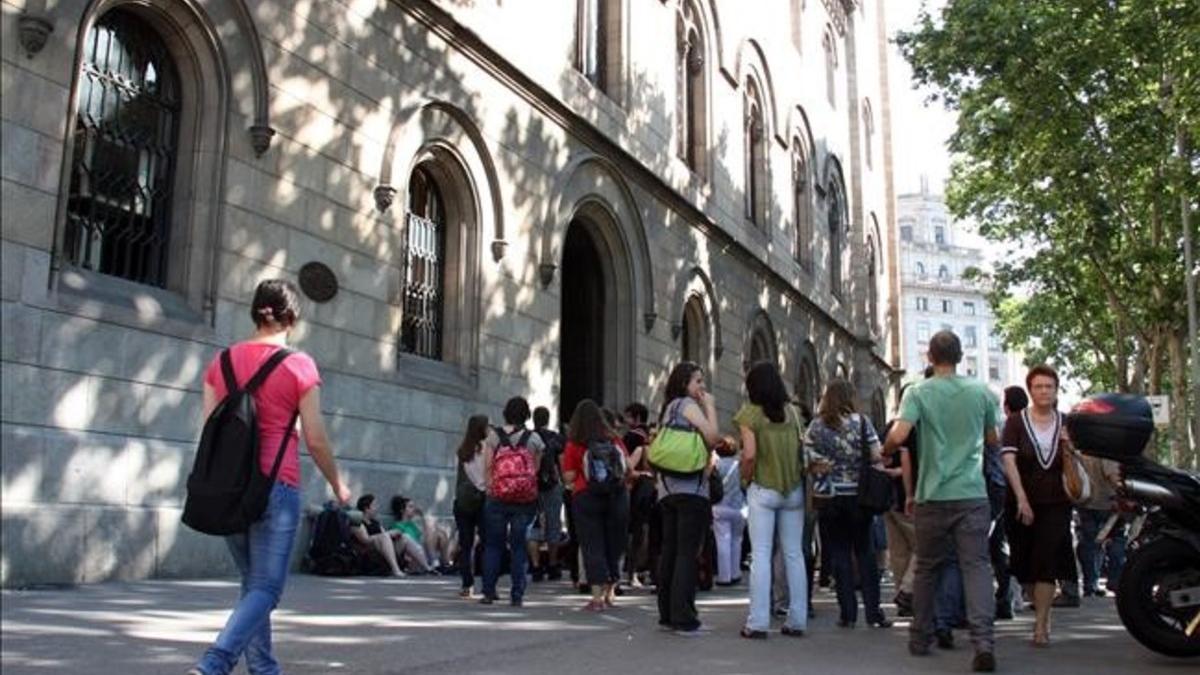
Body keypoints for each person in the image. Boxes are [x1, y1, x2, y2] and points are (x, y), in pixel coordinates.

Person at [188, 279, 350, 675]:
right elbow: (314, 437)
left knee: (252, 585)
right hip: (276, 486)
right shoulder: (299, 365)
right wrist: (336, 482)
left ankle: (263, 669)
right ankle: (213, 664)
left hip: (228, 486)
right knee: (266, 588)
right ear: (291, 318)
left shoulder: (221, 362)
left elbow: (212, 426)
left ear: (255, 314)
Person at [883, 330, 999, 673]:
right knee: (976, 567)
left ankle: (920, 636)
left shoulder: (918, 392)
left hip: (933, 495)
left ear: (929, 358)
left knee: (928, 567)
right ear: (961, 356)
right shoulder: (981, 392)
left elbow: (901, 434)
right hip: (972, 494)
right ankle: (983, 641)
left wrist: (886, 449)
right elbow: (993, 439)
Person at [805, 378, 891, 630]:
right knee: (865, 552)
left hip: (829, 498)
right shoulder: (861, 423)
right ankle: (874, 613)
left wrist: (826, 465)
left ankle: (848, 613)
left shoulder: (816, 426)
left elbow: (806, 457)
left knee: (839, 554)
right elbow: (876, 455)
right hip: (859, 497)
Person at [1000, 365, 1076, 647]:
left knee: (1046, 563)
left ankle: (1041, 624)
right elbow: (1008, 461)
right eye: (1039, 386)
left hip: (1056, 503)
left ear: (1056, 391)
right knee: (1023, 566)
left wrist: (1069, 447)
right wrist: (1021, 498)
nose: (1044, 391)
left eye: (1049, 387)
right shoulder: (1016, 422)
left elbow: (1078, 463)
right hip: (1020, 503)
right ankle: (1039, 606)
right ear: (1030, 390)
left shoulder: (1067, 423)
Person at [736, 362, 813, 639]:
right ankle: (797, 619)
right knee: (794, 555)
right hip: (792, 490)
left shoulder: (750, 415)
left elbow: (749, 455)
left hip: (762, 489)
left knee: (761, 556)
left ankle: (757, 622)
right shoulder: (793, 413)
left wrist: (745, 480)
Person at [655, 361, 723, 636]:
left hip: (667, 489)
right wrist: (711, 407)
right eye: (698, 381)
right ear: (685, 383)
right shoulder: (689, 405)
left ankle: (668, 613)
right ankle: (684, 616)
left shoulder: (668, 408)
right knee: (687, 553)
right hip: (691, 489)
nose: (702, 387)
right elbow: (713, 438)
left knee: (670, 550)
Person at [561, 399, 631, 611]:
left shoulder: (574, 443)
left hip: (586, 496)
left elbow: (568, 475)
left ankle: (597, 598)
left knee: (592, 545)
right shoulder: (614, 439)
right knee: (614, 543)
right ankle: (611, 593)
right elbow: (627, 467)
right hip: (617, 495)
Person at [480, 396, 545, 606]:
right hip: (524, 500)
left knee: (493, 545)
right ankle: (517, 595)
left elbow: (488, 467)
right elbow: (536, 470)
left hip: (497, 496)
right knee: (519, 547)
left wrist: (491, 487)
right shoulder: (534, 439)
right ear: (526, 414)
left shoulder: (493, 437)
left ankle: (489, 591)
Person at [529, 406, 566, 582]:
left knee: (534, 525)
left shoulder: (527, 437)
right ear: (547, 419)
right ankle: (552, 565)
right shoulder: (556, 438)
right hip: (552, 485)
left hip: (531, 485)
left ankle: (535, 566)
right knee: (554, 525)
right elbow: (562, 462)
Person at [453, 415, 489, 597]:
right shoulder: (486, 449)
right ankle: (487, 583)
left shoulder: (462, 450)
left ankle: (467, 584)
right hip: (482, 499)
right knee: (487, 542)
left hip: (463, 501)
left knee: (466, 544)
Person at [623, 403, 656, 587]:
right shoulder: (642, 446)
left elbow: (627, 467)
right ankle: (636, 571)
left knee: (642, 532)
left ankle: (639, 570)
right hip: (645, 493)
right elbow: (630, 468)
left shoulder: (632, 438)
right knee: (641, 532)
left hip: (644, 493)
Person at [349, 494, 408, 577]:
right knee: (384, 537)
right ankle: (395, 569)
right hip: (367, 552)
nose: (377, 508)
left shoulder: (375, 522)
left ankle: (426, 566)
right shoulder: (358, 521)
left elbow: (384, 534)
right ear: (367, 508)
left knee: (404, 538)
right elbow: (365, 539)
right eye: (374, 505)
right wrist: (386, 534)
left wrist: (392, 534)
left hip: (380, 549)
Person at [711, 451, 744, 587]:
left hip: (720, 506)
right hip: (738, 506)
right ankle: (735, 573)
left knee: (722, 541)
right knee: (737, 540)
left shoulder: (716, 465)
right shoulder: (739, 465)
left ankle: (724, 576)